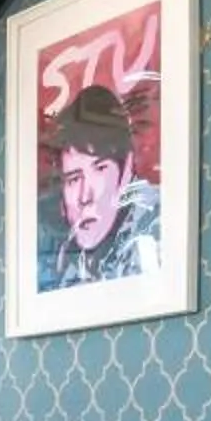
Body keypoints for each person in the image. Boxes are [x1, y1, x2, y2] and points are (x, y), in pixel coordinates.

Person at [44, 83, 159, 291]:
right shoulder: (66, 261)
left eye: (99, 169)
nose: (84, 196)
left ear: (125, 173)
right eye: (73, 179)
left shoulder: (154, 227)